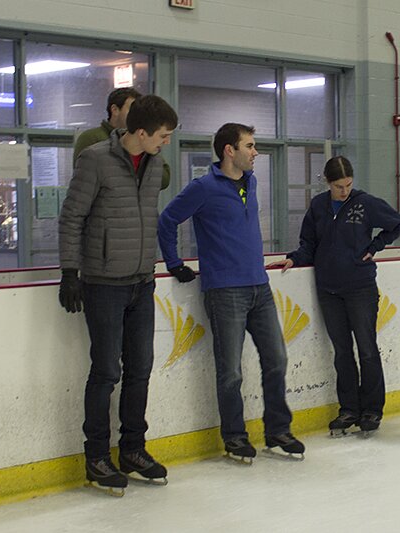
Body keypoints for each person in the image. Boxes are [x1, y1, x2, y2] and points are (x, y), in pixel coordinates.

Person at [158, 123, 304, 462]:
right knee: (231, 371)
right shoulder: (203, 188)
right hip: (225, 291)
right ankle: (235, 437)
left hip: (259, 287)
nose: (255, 153)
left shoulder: (250, 182)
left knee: (277, 359)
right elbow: (167, 221)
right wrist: (174, 263)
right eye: (249, 146)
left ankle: (278, 431)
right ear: (229, 150)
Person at [58, 94, 178, 495]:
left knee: (140, 369)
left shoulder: (155, 163)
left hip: (142, 281)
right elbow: (72, 216)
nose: (166, 143)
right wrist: (69, 271)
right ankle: (96, 456)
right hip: (103, 283)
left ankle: (132, 449)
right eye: (162, 136)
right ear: (140, 133)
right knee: (107, 371)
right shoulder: (95, 159)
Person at [270, 156, 400, 436]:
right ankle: (349, 408)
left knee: (366, 349)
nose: (343, 191)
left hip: (360, 287)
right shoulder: (319, 205)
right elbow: (308, 242)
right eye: (338, 186)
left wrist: (375, 245)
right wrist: (294, 259)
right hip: (329, 289)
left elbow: (397, 224)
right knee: (342, 351)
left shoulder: (364, 203)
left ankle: (371, 409)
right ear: (327, 183)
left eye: (348, 185)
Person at [74, 88, 170, 190]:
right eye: (132, 110)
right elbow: (83, 180)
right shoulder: (92, 138)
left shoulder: (143, 138)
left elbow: (164, 179)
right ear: (115, 110)